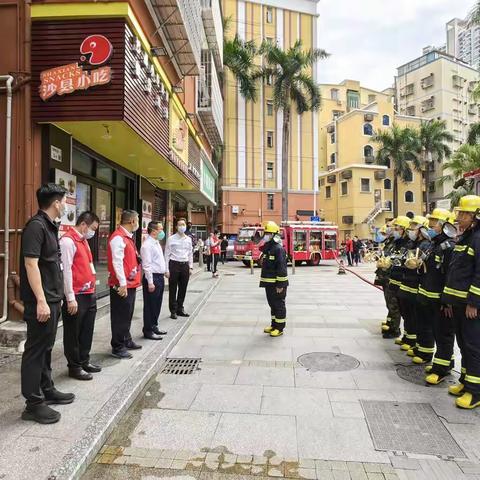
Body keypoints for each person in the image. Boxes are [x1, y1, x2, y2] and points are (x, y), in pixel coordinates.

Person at [20, 183, 75, 424]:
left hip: (53, 299)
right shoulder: (36, 226)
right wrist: (41, 301)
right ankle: (32, 403)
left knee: (47, 347)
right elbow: (31, 264)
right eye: (64, 201)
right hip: (41, 302)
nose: (65, 205)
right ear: (55, 203)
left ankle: (47, 389)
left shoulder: (50, 226)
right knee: (35, 350)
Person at [442, 195, 480, 409]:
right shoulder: (465, 237)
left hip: (471, 306)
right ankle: (466, 382)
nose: (458, 217)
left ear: (475, 216)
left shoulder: (478, 238)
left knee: (474, 347)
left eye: (463, 213)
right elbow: (455, 273)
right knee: (464, 345)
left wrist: (474, 303)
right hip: (458, 303)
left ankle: (476, 392)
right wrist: (448, 301)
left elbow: (479, 274)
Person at [414, 209, 456, 384]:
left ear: (445, 225)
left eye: (435, 223)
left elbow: (450, 276)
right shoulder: (434, 244)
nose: (431, 226)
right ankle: (444, 363)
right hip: (428, 296)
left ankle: (441, 369)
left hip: (440, 299)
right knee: (436, 331)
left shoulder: (449, 247)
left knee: (443, 333)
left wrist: (447, 302)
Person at [60, 211, 101, 381]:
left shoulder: (83, 241)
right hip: (76, 294)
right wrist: (70, 297)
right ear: (83, 224)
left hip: (89, 292)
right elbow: (66, 270)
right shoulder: (68, 241)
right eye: (92, 228)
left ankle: (84, 360)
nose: (93, 232)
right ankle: (74, 366)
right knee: (73, 332)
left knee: (86, 330)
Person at [107, 210, 142, 359]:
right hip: (122, 285)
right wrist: (122, 283)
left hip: (130, 283)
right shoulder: (118, 238)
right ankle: (118, 346)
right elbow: (117, 262)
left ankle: (126, 339)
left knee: (127, 314)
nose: (138, 224)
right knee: (120, 316)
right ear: (132, 221)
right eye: (137, 220)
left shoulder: (128, 238)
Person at [396, 216, 430, 354]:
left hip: (415, 284)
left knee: (415, 316)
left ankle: (414, 341)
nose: (411, 230)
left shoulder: (426, 244)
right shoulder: (412, 243)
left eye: (414, 227)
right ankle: (409, 338)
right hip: (407, 282)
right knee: (407, 313)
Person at [382, 216, 410, 340]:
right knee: (391, 303)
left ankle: (395, 329)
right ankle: (392, 325)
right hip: (391, 276)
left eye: (396, 228)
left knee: (396, 305)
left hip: (400, 278)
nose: (394, 230)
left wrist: (391, 261)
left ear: (404, 229)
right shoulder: (396, 242)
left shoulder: (406, 243)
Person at [260, 221, 289, 337]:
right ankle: (274, 325)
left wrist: (280, 285)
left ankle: (280, 328)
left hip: (277, 285)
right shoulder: (269, 248)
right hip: (269, 284)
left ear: (273, 235)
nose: (266, 235)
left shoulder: (278, 249)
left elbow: (282, 268)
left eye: (268, 233)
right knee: (272, 305)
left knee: (279, 305)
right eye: (265, 233)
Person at [140, 221, 168, 340]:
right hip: (152, 278)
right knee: (150, 305)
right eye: (160, 229)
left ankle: (154, 325)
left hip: (159, 277)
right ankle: (148, 330)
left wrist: (165, 271)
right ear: (154, 230)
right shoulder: (147, 245)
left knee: (157, 304)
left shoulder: (156, 243)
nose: (162, 231)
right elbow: (147, 265)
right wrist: (150, 282)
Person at [165, 218, 193, 319]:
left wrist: (191, 267)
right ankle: (173, 310)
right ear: (176, 227)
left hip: (185, 265)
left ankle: (180, 309)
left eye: (183, 224)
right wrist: (166, 269)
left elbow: (190, 254)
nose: (182, 226)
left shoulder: (189, 239)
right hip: (174, 265)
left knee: (183, 288)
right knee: (173, 289)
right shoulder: (171, 239)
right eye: (180, 225)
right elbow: (167, 254)